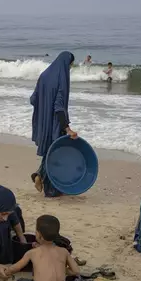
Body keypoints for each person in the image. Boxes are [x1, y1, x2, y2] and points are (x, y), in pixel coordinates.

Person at [6, 215, 80, 281]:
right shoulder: (64, 251)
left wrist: (7, 271)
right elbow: (76, 271)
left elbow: (16, 268)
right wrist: (64, 270)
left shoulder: (33, 252)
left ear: (38, 235)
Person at [30, 51, 78, 197]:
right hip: (56, 124)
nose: (70, 68)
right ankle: (50, 188)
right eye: (70, 65)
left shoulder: (44, 75)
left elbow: (33, 99)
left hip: (43, 123)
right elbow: (58, 106)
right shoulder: (61, 79)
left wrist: (44, 110)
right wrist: (67, 128)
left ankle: (40, 175)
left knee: (50, 152)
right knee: (56, 154)